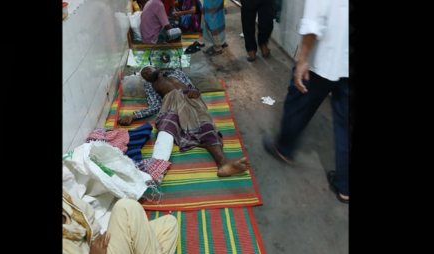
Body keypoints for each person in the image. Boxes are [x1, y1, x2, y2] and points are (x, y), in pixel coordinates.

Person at [262, 0, 349, 204]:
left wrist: (302, 58)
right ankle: (345, 186)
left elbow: (313, 20)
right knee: (346, 124)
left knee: (298, 100)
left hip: (325, 58)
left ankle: (284, 148)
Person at [118, 66, 250, 177]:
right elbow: (154, 106)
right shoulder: (150, 86)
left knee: (206, 126)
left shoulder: (177, 72)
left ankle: (223, 163)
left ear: (155, 68)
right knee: (166, 126)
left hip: (190, 99)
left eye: (147, 69)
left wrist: (195, 91)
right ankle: (156, 168)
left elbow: (192, 86)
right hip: (170, 102)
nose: (146, 73)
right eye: (144, 75)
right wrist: (133, 116)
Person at [62, 189, 179, 254]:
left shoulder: (65, 199)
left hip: (96, 249)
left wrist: (97, 240)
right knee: (126, 207)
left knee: (169, 223)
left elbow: (90, 222)